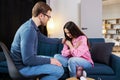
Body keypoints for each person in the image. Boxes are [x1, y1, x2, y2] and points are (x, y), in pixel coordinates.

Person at [10, 1, 64, 80]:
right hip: (22, 68)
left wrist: (61, 40)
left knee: (54, 61)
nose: (49, 19)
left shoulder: (32, 27)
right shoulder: (29, 30)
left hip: (24, 64)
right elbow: (28, 60)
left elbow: (44, 39)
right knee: (59, 70)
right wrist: (50, 61)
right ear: (41, 15)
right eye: (48, 17)